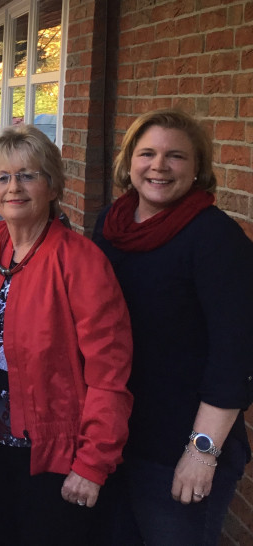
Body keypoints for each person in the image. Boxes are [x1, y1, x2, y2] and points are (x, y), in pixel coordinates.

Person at [0, 125, 134, 545]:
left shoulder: (81, 261)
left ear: (52, 186)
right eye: (1, 178)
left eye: (27, 175)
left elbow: (110, 376)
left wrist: (92, 463)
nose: (12, 187)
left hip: (53, 455)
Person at [92, 109, 253, 545]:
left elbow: (234, 356)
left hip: (176, 449)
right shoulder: (109, 226)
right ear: (128, 164)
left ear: (198, 168)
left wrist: (202, 453)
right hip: (114, 439)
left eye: (176, 156)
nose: (159, 166)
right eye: (147, 153)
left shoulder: (216, 240)